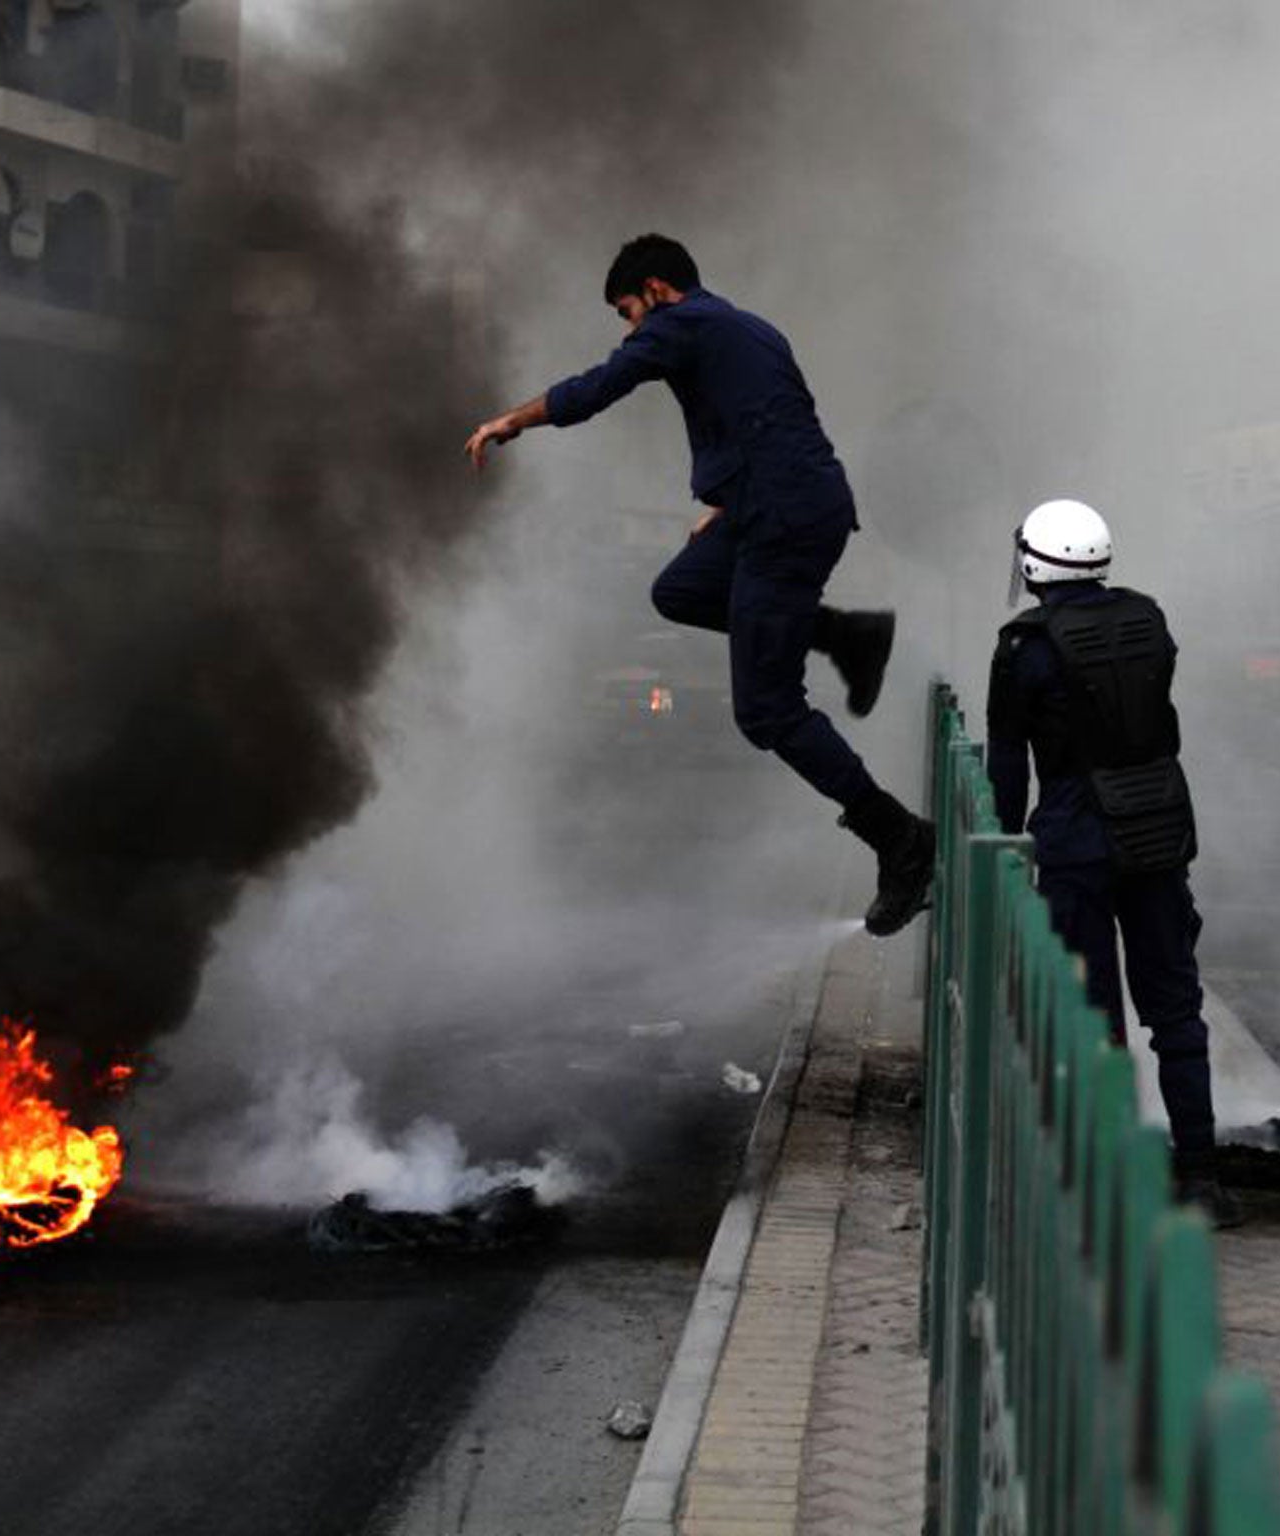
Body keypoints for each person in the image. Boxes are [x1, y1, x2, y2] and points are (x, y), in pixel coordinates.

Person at [465, 235, 933, 936]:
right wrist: (727, 496)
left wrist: (513, 421)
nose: (631, 330)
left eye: (628, 312)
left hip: (784, 520)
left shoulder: (679, 325)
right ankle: (844, 633)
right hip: (777, 504)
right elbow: (779, 414)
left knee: (767, 712)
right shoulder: (745, 328)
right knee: (680, 590)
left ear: (656, 290)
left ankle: (898, 839)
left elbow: (599, 387)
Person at [985, 498, 1240, 1224]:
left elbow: (1009, 761)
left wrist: (1004, 848)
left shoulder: (1022, 647)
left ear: (1035, 562)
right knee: (1176, 1009)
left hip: (1075, 839)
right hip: (1159, 827)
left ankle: (1101, 1182)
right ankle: (1200, 1178)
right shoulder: (1149, 620)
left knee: (1092, 1017)